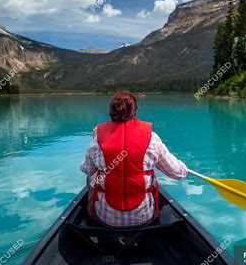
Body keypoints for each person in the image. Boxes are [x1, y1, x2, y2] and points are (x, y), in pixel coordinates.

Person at [80, 91, 188, 227]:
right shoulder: (152, 139)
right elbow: (178, 173)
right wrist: (183, 168)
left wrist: (95, 142)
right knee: (149, 175)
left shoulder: (97, 141)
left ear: (111, 113)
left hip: (105, 220)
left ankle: (92, 218)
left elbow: (87, 169)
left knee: (93, 176)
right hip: (144, 219)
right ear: (135, 112)